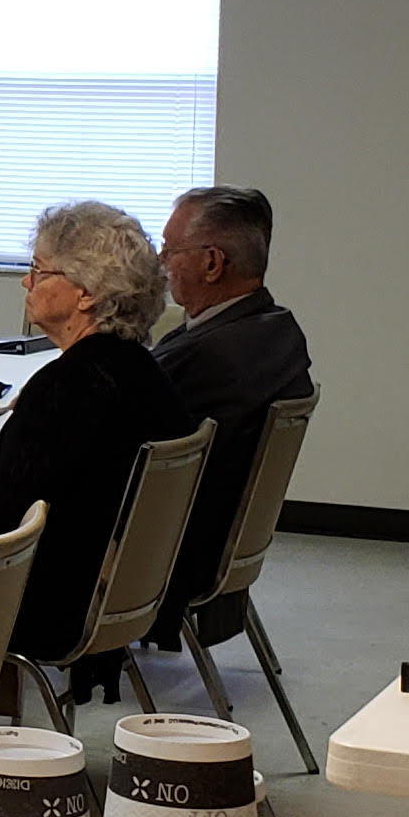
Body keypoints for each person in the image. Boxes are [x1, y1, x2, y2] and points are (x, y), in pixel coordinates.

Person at [0, 201, 191, 711]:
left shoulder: (68, 387)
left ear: (86, 293)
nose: (25, 282)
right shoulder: (145, 374)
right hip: (108, 591)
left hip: (43, 599)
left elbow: (7, 523)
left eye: (39, 270)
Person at [150, 183, 314, 621]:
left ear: (211, 263)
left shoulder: (209, 355)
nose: (162, 261)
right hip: (225, 544)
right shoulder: (277, 331)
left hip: (169, 554)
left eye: (170, 249)